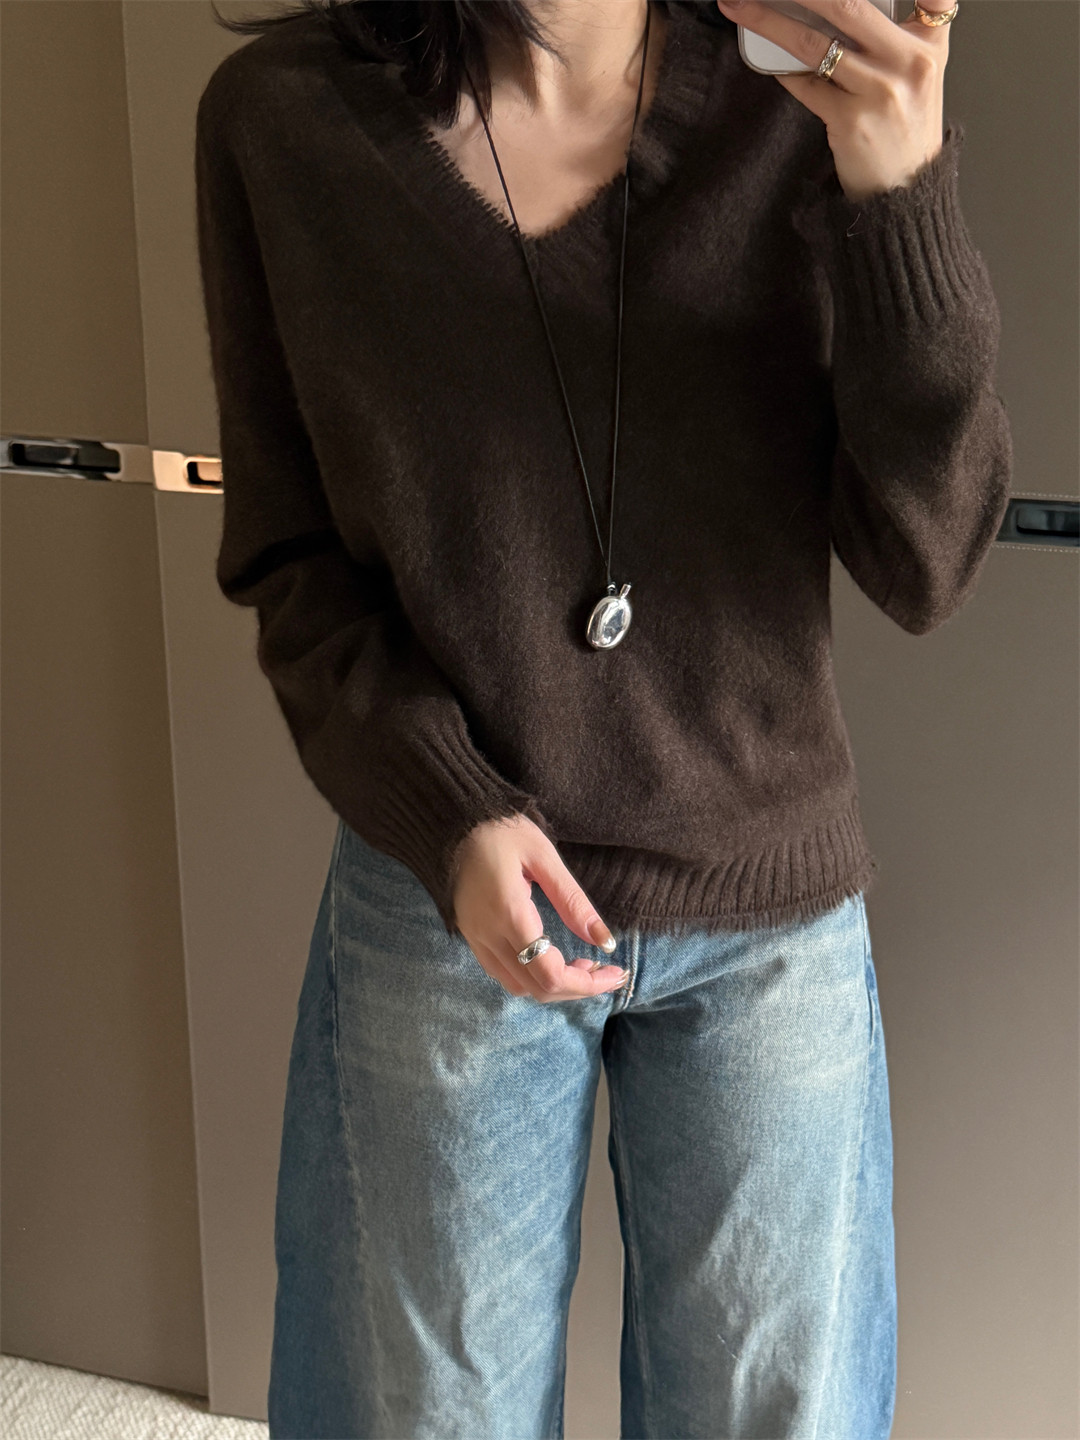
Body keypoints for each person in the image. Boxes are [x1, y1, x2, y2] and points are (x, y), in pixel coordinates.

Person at [193, 1, 1009, 1435]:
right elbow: (290, 558)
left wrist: (900, 186)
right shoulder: (283, 122)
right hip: (445, 902)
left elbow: (928, 562)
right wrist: (445, 811)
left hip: (767, 911)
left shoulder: (797, 107)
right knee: (421, 1416)